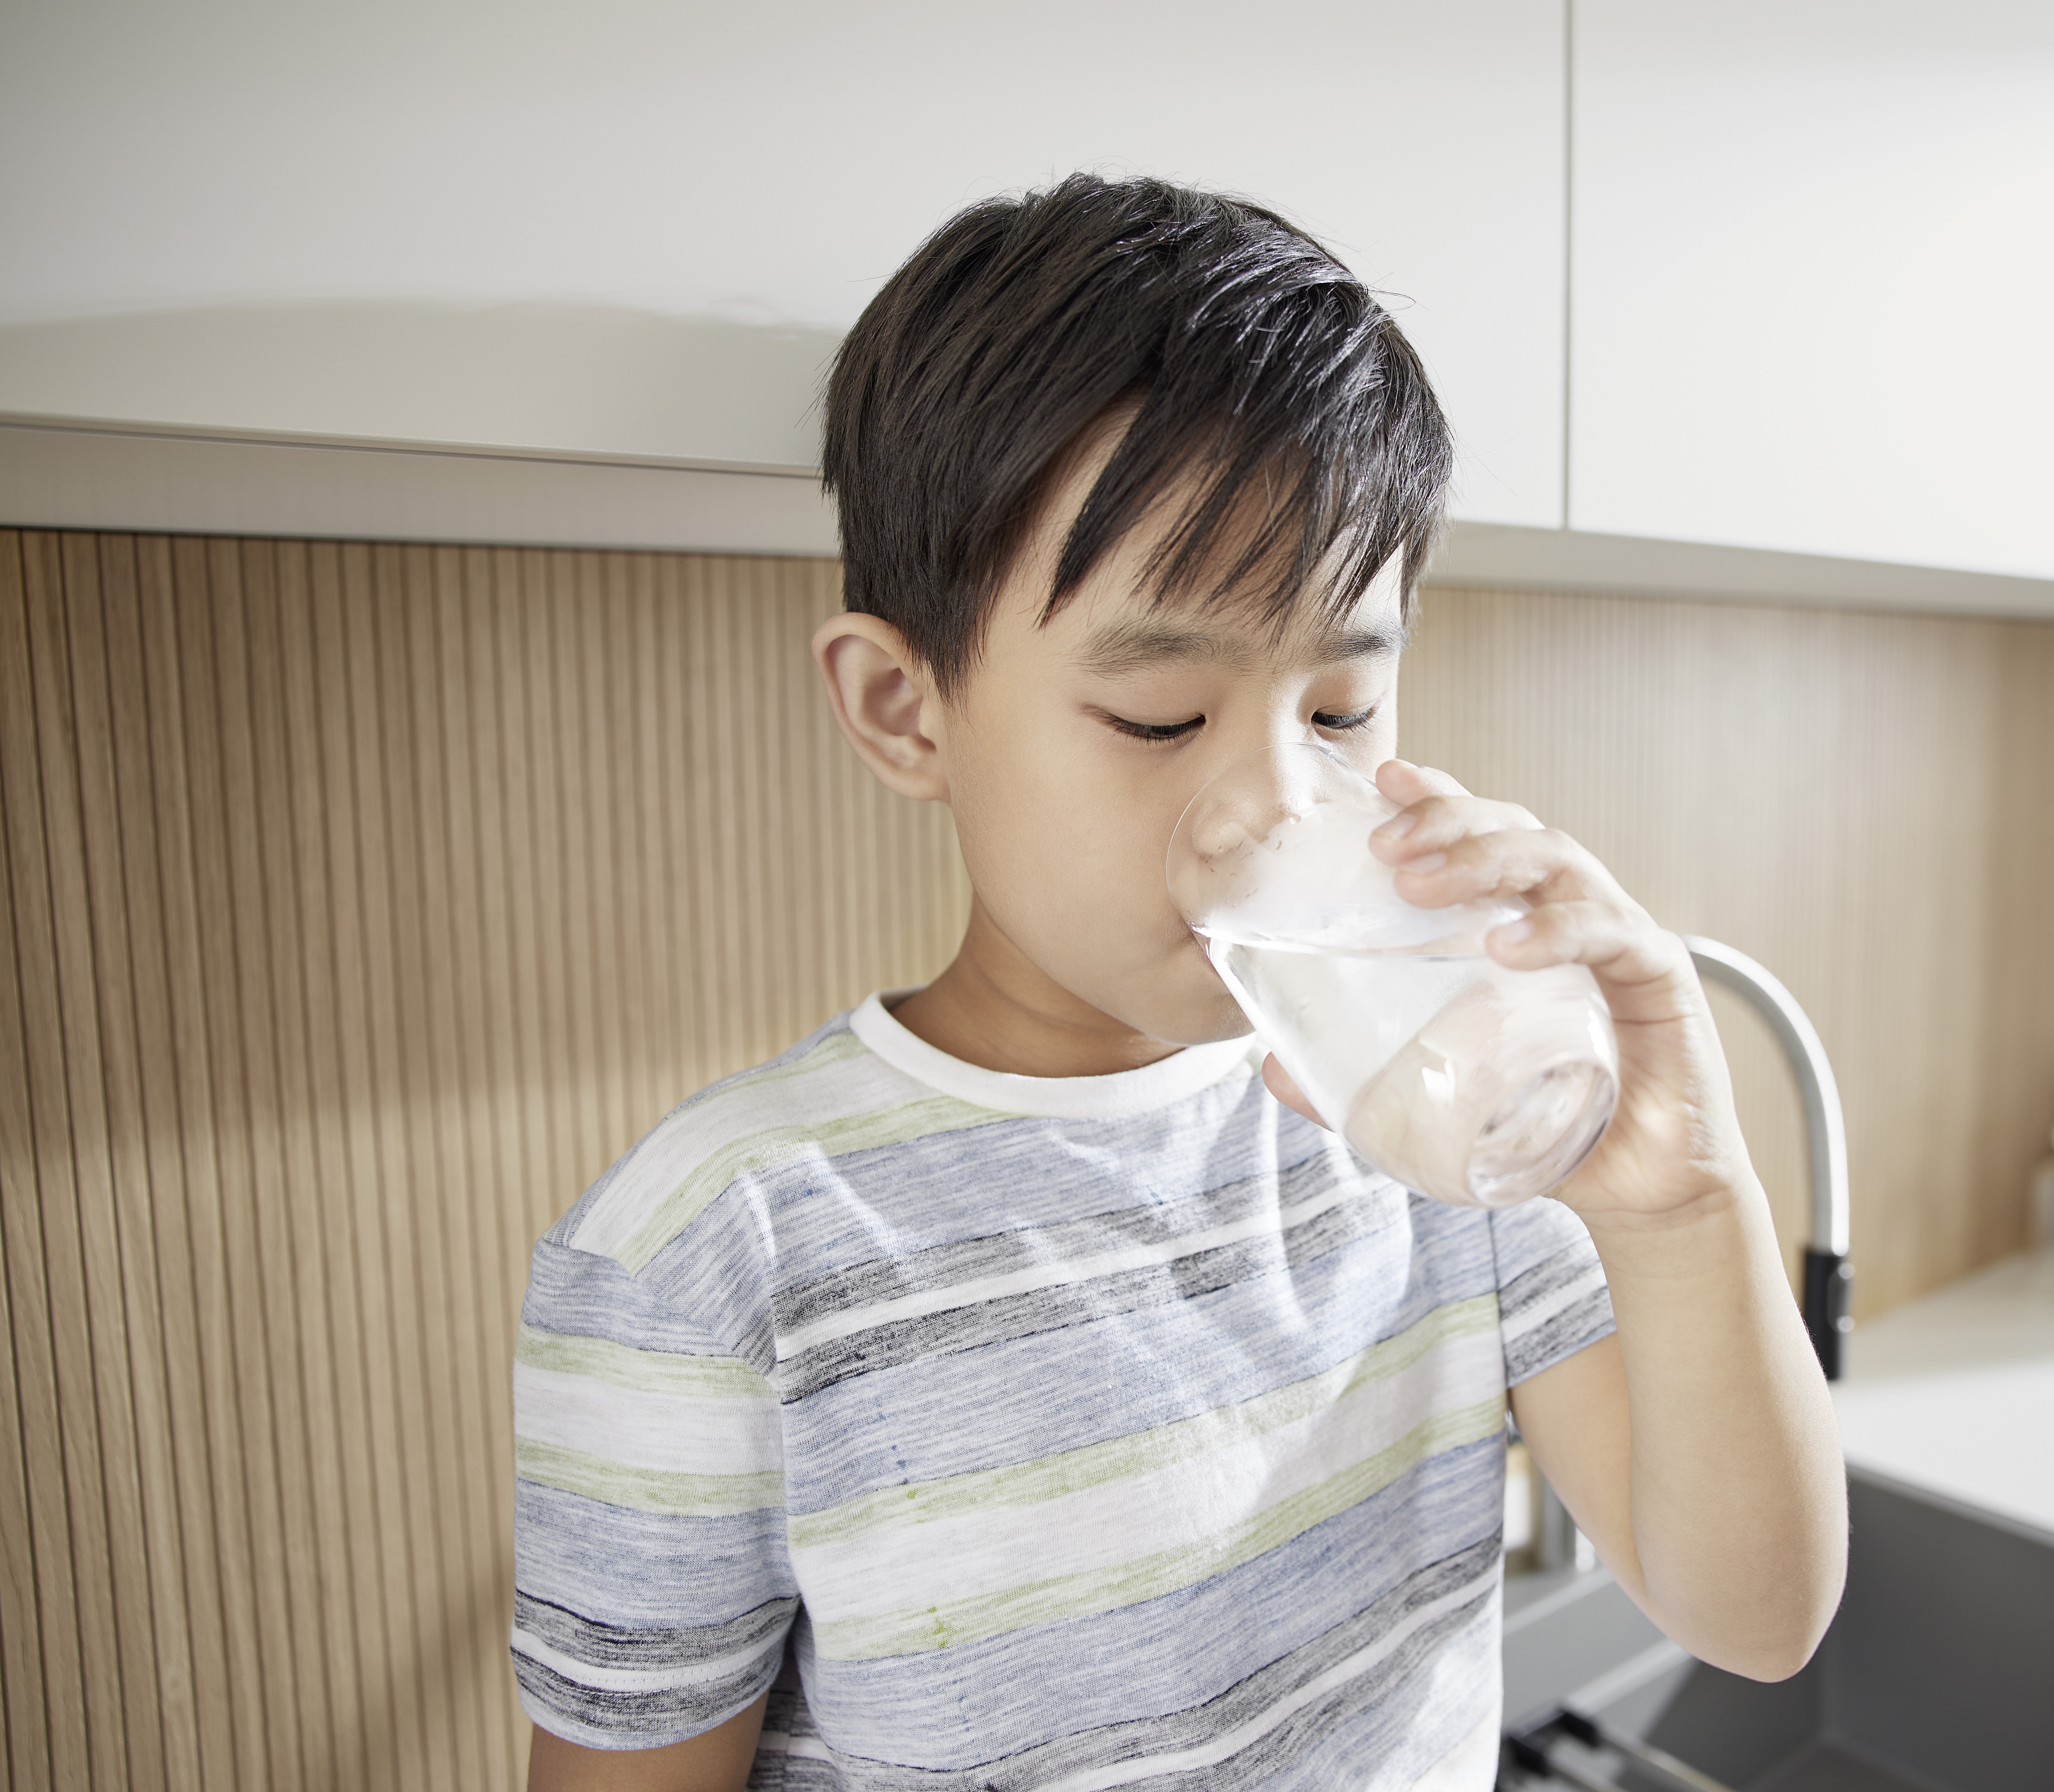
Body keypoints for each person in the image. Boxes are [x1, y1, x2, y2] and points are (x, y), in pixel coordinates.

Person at [512, 173, 1845, 1792]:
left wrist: (1684, 1203)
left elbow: (1757, 1618)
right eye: (1160, 717)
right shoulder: (716, 1250)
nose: (1278, 805)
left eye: (1344, 709)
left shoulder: (1440, 1120)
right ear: (903, 709)